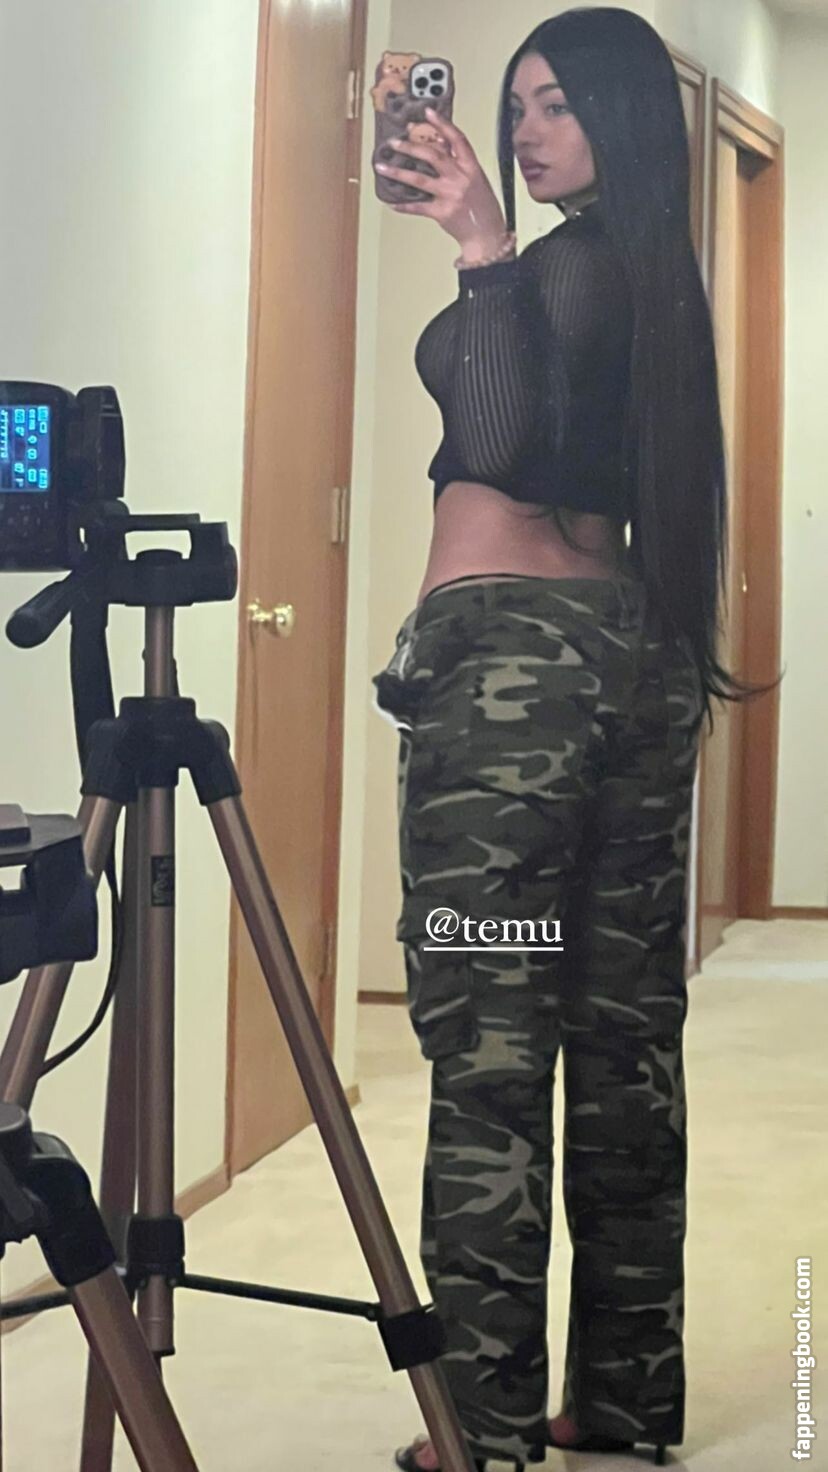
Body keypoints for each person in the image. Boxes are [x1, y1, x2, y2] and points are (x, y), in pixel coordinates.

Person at [371, 9, 779, 1470]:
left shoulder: (560, 265)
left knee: (489, 1039)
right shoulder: (646, 274)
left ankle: (481, 1425)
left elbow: (495, 441)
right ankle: (625, 1401)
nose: (529, 132)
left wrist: (478, 246)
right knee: (621, 1041)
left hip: (510, 694)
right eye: (518, 105)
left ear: (623, 116)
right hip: (629, 662)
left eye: (559, 106)